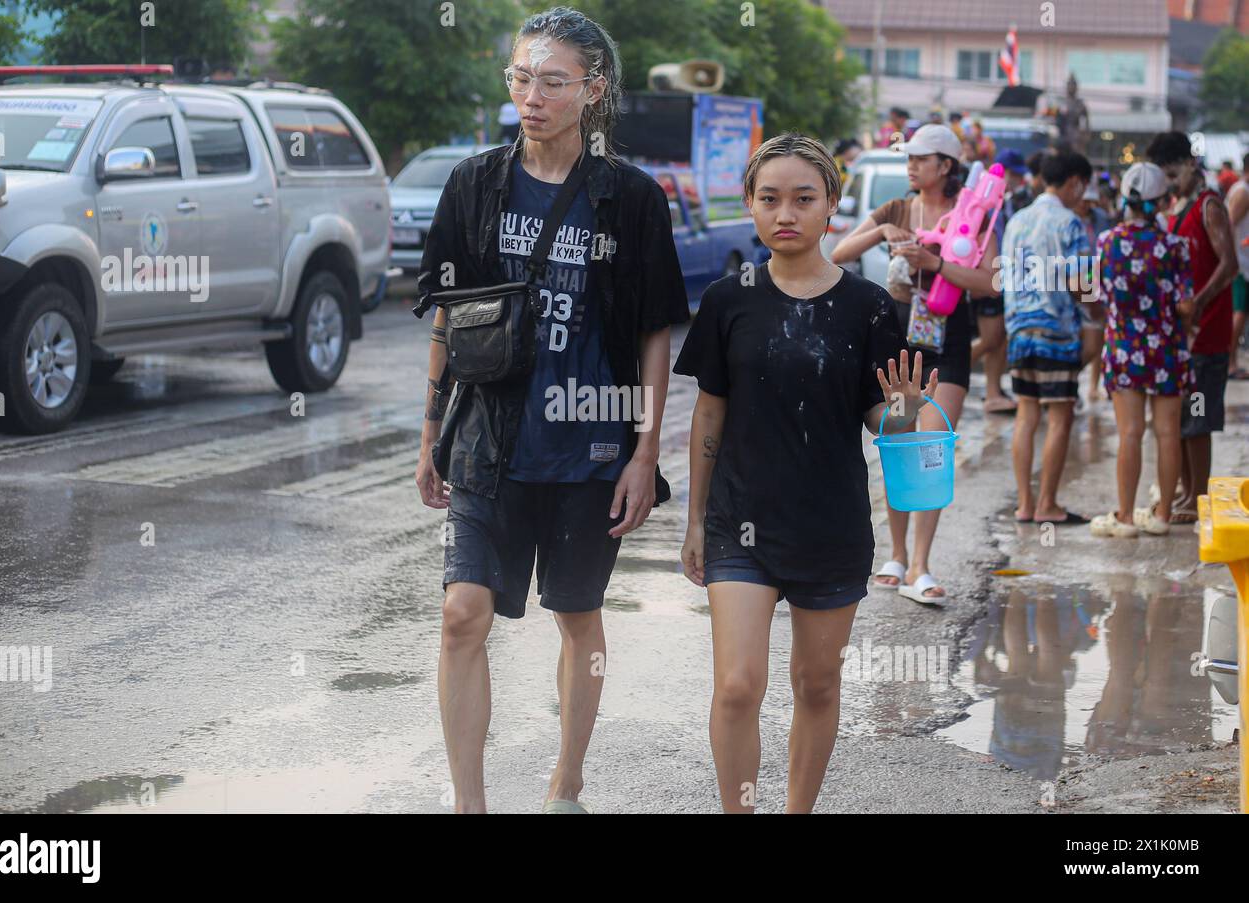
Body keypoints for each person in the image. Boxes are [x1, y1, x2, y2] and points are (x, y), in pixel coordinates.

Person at [413, 6, 689, 814]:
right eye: (521, 78)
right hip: (488, 440)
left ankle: (567, 778)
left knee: (576, 614)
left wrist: (644, 455)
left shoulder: (630, 199)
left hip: (589, 449)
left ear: (593, 90)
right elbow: (448, 314)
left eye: (553, 81)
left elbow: (652, 334)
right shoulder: (475, 184)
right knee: (462, 613)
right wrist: (431, 432)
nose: (532, 96)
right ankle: (470, 803)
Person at [675, 133, 920, 813]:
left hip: (830, 525)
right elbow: (709, 417)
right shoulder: (729, 299)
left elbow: (881, 423)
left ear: (832, 206)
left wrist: (904, 412)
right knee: (736, 685)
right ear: (751, 207)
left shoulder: (868, 307)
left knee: (817, 684)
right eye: (770, 198)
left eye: (803, 199)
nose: (786, 213)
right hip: (738, 525)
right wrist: (694, 522)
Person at [832, 124, 1001, 604]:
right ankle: (898, 554)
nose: (911, 166)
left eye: (920, 158)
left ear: (946, 165)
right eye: (909, 158)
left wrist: (936, 262)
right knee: (898, 443)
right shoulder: (897, 209)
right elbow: (839, 252)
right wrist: (883, 231)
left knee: (932, 447)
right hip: (897, 339)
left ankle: (922, 564)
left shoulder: (974, 216)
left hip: (947, 341)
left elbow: (990, 282)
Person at [1089, 162, 1193, 538]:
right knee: (1168, 433)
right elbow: (1185, 306)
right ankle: (1163, 514)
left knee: (1130, 433)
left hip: (1122, 349)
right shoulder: (1176, 247)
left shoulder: (1106, 242)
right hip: (1167, 350)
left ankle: (1126, 517)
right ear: (1163, 201)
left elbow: (1093, 296)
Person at [1146, 132, 1240, 524]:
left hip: (1207, 335)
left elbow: (1229, 264)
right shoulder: (1178, 208)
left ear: (1189, 164)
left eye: (1172, 174)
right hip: (1182, 339)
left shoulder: (1209, 205)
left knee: (1197, 420)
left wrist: (1197, 304)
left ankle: (1199, 496)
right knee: (1181, 419)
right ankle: (1186, 492)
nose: (1169, 183)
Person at [1000, 150, 1096, 526]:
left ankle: (1025, 504)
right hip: (1057, 331)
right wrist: (1097, 310)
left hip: (1020, 330)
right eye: (1082, 187)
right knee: (1060, 416)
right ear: (1074, 182)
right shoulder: (1070, 223)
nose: (1083, 195)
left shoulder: (1017, 221)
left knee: (1026, 414)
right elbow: (1081, 284)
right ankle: (1048, 504)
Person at [973, 148, 1033, 416]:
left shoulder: (1005, 201)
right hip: (988, 275)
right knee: (990, 338)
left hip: (1002, 276)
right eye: (1015, 175)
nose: (1018, 180)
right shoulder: (985, 199)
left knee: (998, 340)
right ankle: (937, 378)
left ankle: (994, 392)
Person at [1074, 182, 1114, 402]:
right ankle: (1072, 381)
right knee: (1083, 338)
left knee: (1096, 340)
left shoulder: (1100, 217)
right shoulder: (1068, 219)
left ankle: (1093, 385)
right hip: (1074, 281)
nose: (1085, 205)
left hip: (1095, 279)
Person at [1226, 151, 1249, 380]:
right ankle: (1230, 362)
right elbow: (1230, 225)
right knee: (1239, 312)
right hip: (1241, 265)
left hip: (1242, 263)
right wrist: (1230, 261)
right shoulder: (1242, 192)